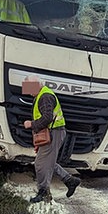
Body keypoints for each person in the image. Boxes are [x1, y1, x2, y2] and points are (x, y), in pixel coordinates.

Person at [22, 75, 81, 203]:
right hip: (51, 133)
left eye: (29, 88)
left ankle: (43, 193)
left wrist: (31, 124)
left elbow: (47, 118)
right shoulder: (42, 95)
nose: (28, 92)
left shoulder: (45, 96)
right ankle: (70, 180)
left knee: (40, 164)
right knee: (47, 162)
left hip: (54, 132)